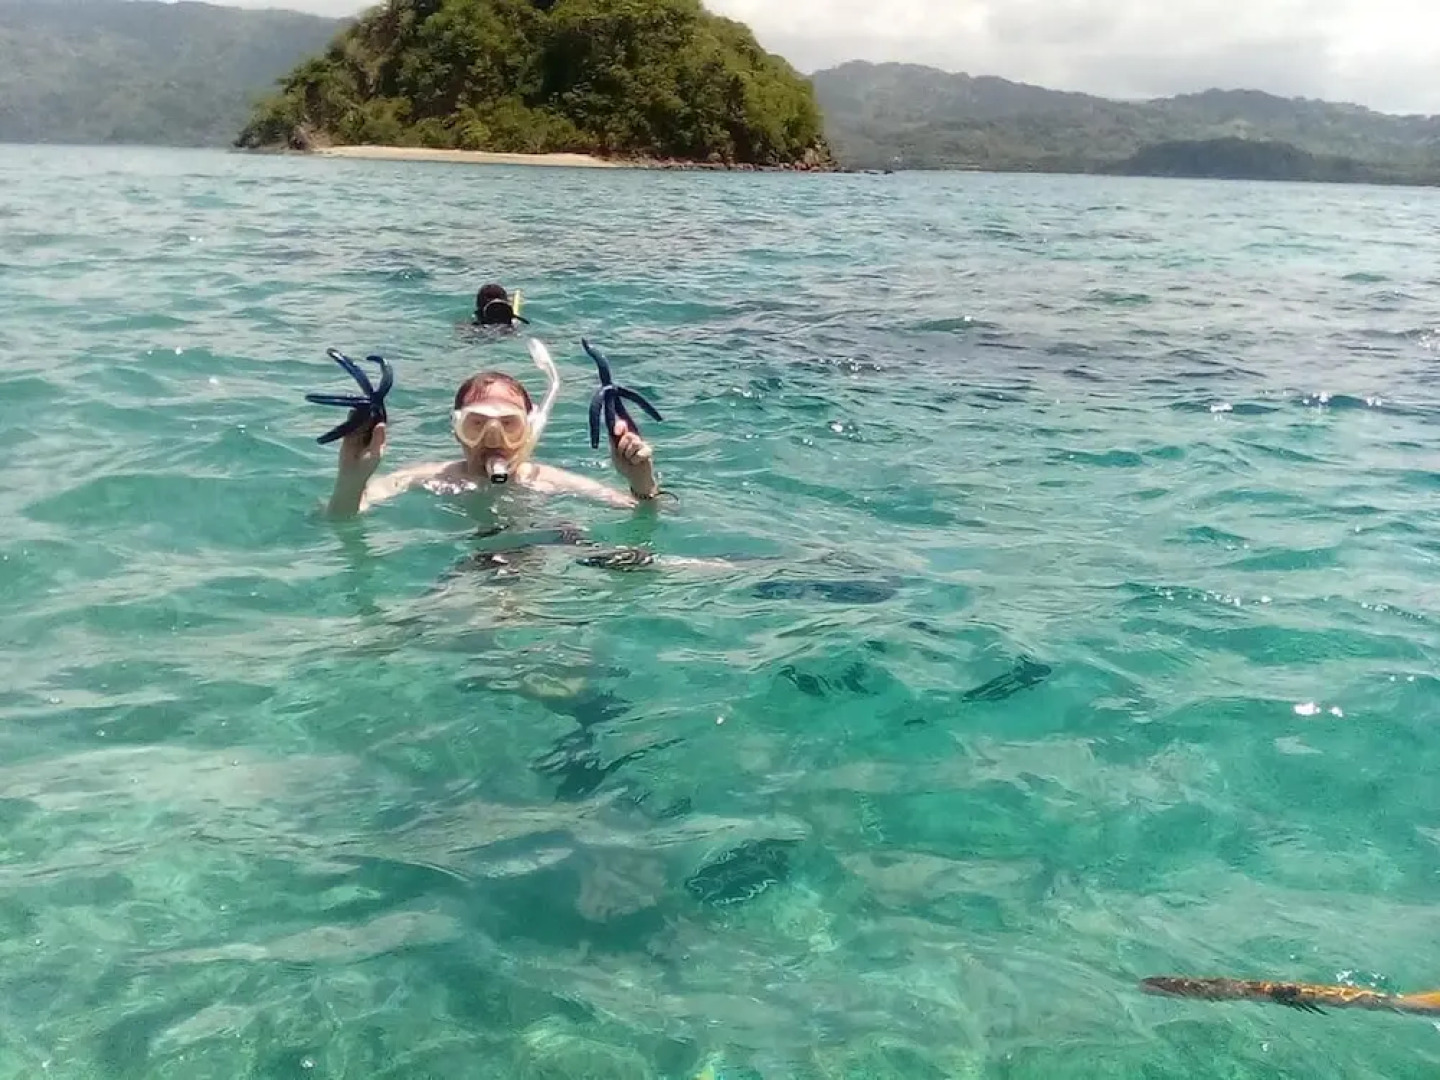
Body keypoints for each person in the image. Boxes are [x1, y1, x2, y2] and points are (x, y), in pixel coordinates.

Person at [324, 340, 661, 518]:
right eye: (477, 424)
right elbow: (341, 519)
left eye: (509, 425)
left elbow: (647, 514)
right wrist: (350, 482)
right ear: (457, 429)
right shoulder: (426, 479)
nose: (493, 438)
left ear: (530, 431)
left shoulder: (550, 482)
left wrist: (642, 483)